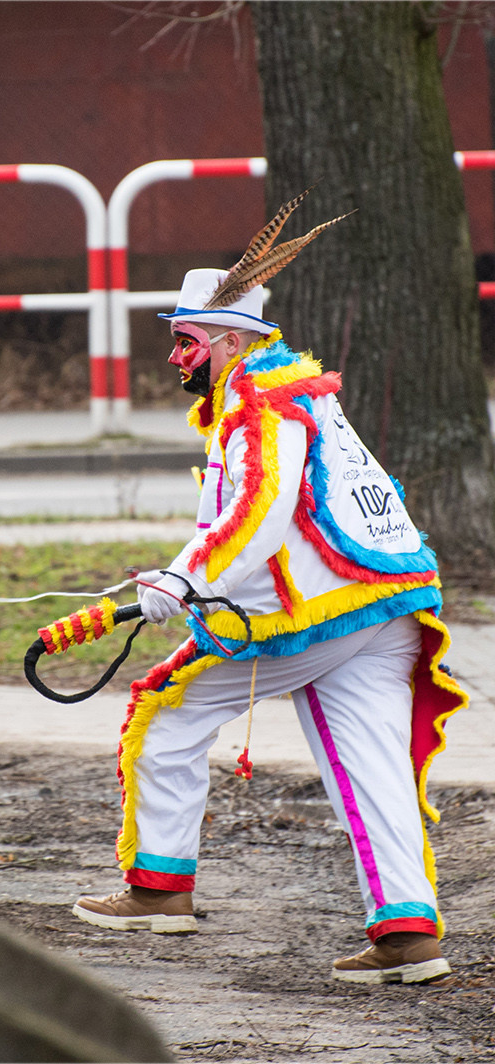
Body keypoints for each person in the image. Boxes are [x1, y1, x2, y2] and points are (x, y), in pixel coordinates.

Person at [70, 196, 467, 986]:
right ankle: (409, 936)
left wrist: (182, 580)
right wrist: (192, 576)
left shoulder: (256, 406)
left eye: (185, 340)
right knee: (370, 765)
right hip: (386, 602)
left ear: (226, 341)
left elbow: (258, 513)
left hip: (323, 612)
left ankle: (159, 890)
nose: (177, 356)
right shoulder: (292, 391)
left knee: (165, 711)